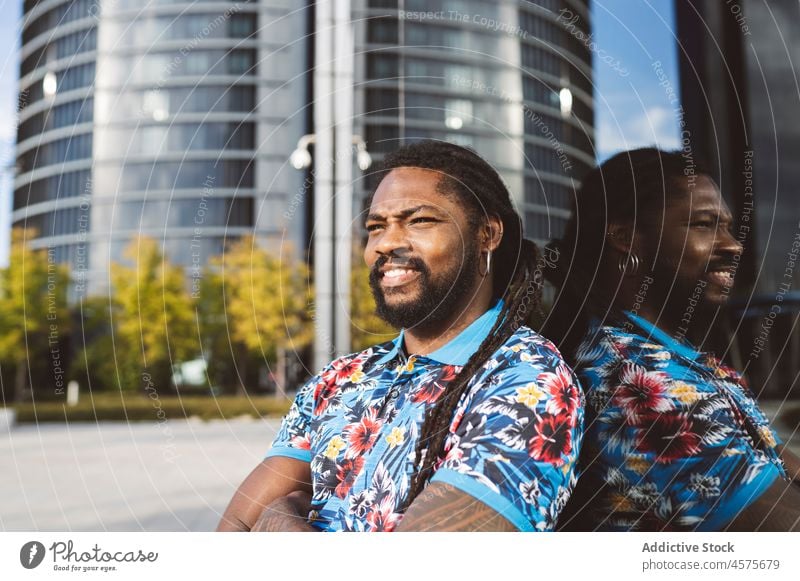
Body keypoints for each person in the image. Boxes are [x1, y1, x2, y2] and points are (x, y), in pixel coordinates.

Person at [217, 140, 583, 532]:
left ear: (488, 234)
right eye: (376, 227)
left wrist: (278, 522)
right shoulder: (340, 378)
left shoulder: (530, 383)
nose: (387, 243)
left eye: (419, 220)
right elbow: (233, 528)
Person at [543, 148, 800, 531]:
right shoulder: (641, 387)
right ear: (627, 239)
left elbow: (774, 455)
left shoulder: (667, 353)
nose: (733, 245)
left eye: (727, 226)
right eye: (703, 224)